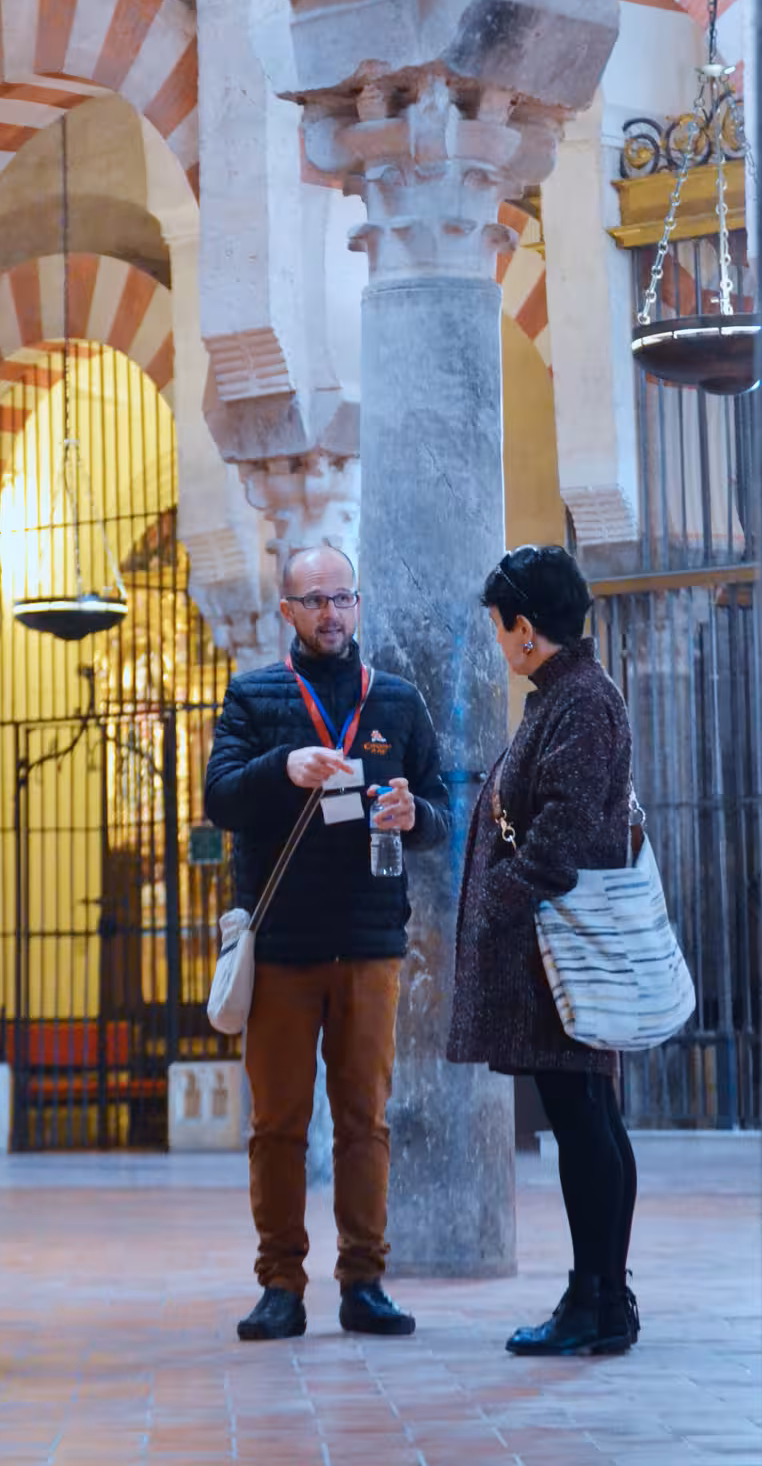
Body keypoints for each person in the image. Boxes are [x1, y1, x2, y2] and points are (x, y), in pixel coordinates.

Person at [204, 544, 450, 1342]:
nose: (331, 613)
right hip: (280, 947)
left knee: (365, 1120)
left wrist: (417, 816)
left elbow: (441, 809)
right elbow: (219, 801)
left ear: (357, 603)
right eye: (313, 601)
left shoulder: (399, 702)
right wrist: (286, 764)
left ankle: (365, 1281)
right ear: (287, 611)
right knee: (277, 1123)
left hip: (371, 941)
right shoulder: (253, 695)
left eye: (342, 598)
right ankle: (280, 1283)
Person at [448, 543, 638, 1358]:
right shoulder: (563, 697)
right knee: (590, 1120)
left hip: (563, 955)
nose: (500, 641)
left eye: (501, 626)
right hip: (557, 953)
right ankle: (602, 1297)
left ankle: (595, 1297)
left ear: (526, 628)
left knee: (586, 1123)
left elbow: (558, 837)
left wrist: (498, 898)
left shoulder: (581, 701)